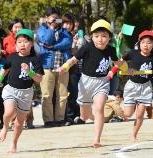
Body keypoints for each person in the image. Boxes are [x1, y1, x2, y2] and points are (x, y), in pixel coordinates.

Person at [58, 19, 131, 148]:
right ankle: (90, 115)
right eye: (96, 36)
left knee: (99, 107)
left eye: (104, 36)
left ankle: (97, 139)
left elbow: (118, 63)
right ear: (92, 37)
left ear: (109, 37)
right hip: (86, 83)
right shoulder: (86, 48)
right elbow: (74, 59)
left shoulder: (111, 50)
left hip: (102, 83)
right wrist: (65, 67)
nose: (100, 39)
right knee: (84, 116)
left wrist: (128, 69)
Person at [0, 29, 44, 153]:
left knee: (19, 123)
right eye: (19, 42)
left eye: (25, 42)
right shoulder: (12, 56)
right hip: (11, 89)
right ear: (16, 44)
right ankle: (5, 127)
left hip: (26, 93)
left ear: (32, 44)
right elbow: (5, 69)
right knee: (9, 112)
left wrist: (30, 72)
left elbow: (40, 79)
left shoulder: (35, 59)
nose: (22, 44)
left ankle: (14, 142)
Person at [122, 30, 153, 142]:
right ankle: (130, 107)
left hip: (145, 87)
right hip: (132, 86)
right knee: (128, 114)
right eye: (143, 42)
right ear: (139, 43)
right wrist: (126, 69)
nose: (146, 45)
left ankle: (134, 135)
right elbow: (119, 62)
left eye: (149, 43)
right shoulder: (133, 53)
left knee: (140, 113)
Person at [37, 6, 72, 127]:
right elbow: (46, 41)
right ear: (47, 18)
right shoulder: (41, 30)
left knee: (62, 94)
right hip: (47, 66)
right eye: (53, 18)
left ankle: (60, 118)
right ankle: (48, 120)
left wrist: (54, 46)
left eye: (57, 18)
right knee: (47, 94)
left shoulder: (63, 30)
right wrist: (51, 28)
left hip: (63, 65)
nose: (56, 20)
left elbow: (68, 42)